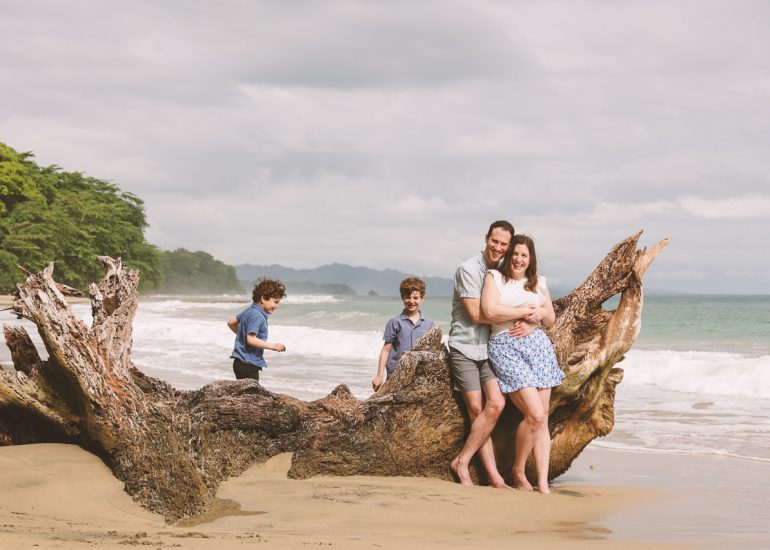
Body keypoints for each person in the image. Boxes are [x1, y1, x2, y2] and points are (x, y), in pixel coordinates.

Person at [448, 220, 537, 487]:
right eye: (494, 241)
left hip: (487, 349)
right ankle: (491, 476)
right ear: (486, 238)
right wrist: (522, 313)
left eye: (503, 244)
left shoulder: (502, 272)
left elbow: (525, 300)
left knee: (496, 404)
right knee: (477, 409)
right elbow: (479, 314)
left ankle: (463, 461)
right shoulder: (468, 269)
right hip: (464, 347)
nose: (498, 247)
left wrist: (533, 320)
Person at [481, 234, 564, 493]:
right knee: (535, 414)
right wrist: (525, 313)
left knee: (543, 418)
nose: (519, 259)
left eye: (524, 255)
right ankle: (518, 470)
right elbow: (489, 311)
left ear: (531, 259)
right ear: (509, 255)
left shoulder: (539, 282)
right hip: (506, 346)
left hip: (538, 348)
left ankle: (542, 482)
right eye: (515, 254)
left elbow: (550, 319)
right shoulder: (495, 277)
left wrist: (540, 315)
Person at [372, 277, 434, 391]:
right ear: (402, 298)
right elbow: (386, 350)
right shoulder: (395, 322)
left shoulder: (429, 323)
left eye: (415, 298)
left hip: (419, 376)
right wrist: (379, 376)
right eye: (408, 297)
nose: (411, 301)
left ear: (422, 299)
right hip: (396, 375)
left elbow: (432, 351)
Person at [227, 277, 287, 381]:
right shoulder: (258, 316)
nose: (277, 306)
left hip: (240, 362)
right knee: (252, 391)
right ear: (263, 299)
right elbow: (251, 340)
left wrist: (242, 335)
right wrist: (273, 346)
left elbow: (231, 322)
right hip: (248, 364)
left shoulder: (249, 310)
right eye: (275, 302)